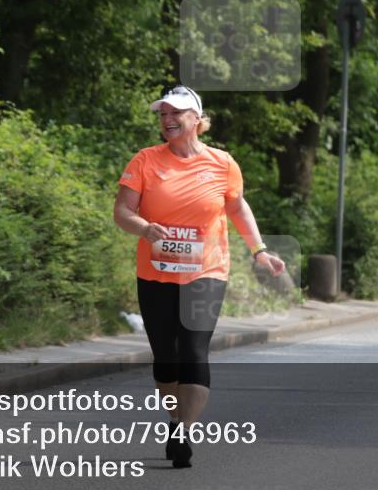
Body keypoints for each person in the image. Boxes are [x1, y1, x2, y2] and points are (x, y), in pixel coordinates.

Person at [113, 85, 284, 468]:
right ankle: (174, 417)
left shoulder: (222, 163)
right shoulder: (145, 160)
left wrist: (259, 251)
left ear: (197, 119)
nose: (167, 120)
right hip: (155, 274)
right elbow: (122, 211)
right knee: (166, 359)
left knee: (193, 350)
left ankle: (183, 430)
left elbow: (238, 208)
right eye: (163, 114)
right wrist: (143, 228)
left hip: (206, 272)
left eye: (176, 113)